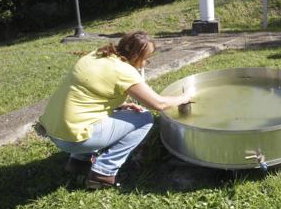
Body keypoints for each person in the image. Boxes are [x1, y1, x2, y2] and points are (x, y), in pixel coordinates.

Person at [40, 31, 191, 189]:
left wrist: (118, 106)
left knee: (122, 115)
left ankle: (78, 162)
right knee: (144, 119)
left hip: (54, 131)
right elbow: (157, 104)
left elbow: (88, 95)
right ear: (134, 55)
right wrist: (184, 98)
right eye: (146, 58)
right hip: (73, 139)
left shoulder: (97, 55)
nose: (147, 63)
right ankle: (103, 173)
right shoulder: (124, 71)